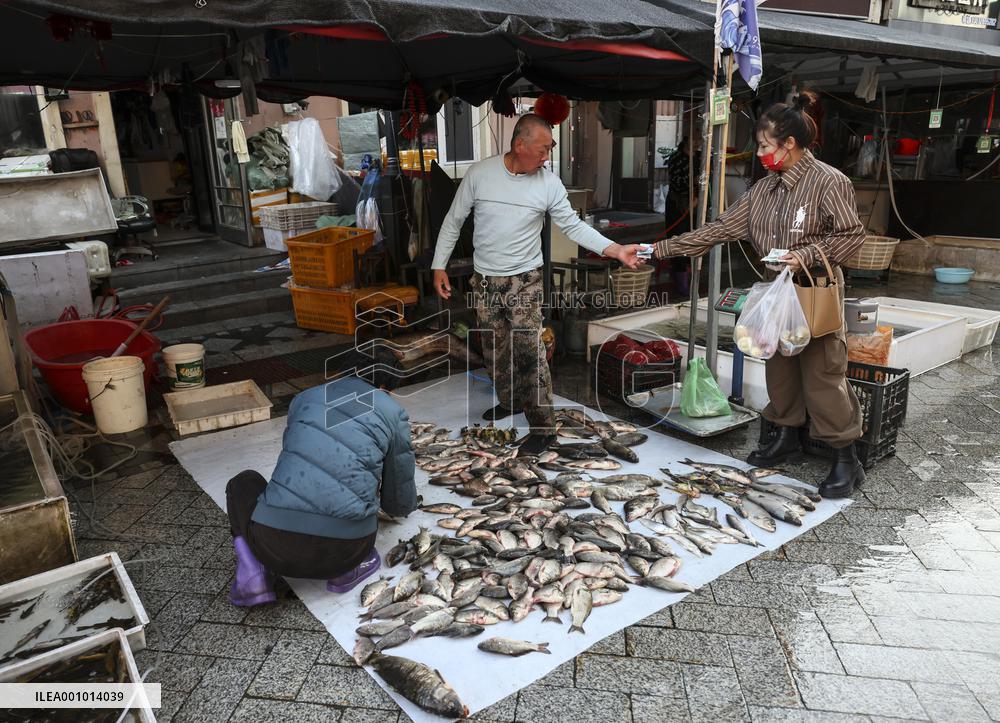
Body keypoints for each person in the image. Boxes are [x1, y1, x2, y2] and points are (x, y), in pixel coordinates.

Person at [651, 91, 866, 498]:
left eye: (766, 146)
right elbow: (720, 228)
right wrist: (659, 249)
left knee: (822, 373)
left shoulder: (830, 181)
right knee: (778, 366)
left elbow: (852, 235)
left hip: (814, 289)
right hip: (773, 290)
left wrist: (805, 255)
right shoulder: (763, 189)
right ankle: (785, 436)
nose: (762, 153)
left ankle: (845, 458)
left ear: (789, 144)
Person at [431, 113, 646, 455]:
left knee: (530, 351)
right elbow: (453, 220)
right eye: (543, 149)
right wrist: (438, 265)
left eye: (551, 149)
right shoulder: (480, 174)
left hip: (524, 281)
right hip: (485, 280)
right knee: (495, 348)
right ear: (520, 145)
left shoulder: (548, 184)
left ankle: (544, 430)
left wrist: (616, 249)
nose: (548, 156)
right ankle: (511, 400)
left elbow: (574, 228)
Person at [226, 377, 418, 606]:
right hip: (349, 552)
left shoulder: (304, 399)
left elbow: (295, 458)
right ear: (383, 387)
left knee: (243, 482)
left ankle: (254, 576)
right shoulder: (391, 411)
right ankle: (345, 573)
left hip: (273, 547)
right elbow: (398, 504)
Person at [664, 135, 702, 296]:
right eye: (695, 137)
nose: (698, 141)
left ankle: (689, 275)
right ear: (687, 140)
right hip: (678, 202)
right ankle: (679, 275)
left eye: (699, 138)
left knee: (695, 237)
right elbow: (675, 181)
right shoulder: (676, 158)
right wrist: (692, 180)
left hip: (697, 201)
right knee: (678, 236)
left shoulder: (701, 157)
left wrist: (697, 196)